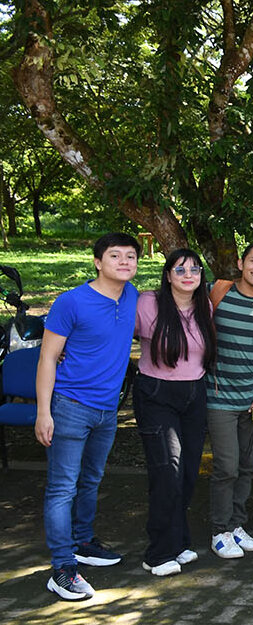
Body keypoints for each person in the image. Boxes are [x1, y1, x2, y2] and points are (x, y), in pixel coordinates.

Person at [35, 232, 141, 600]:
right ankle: (62, 568)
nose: (125, 262)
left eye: (131, 256)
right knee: (62, 488)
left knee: (92, 480)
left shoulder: (131, 296)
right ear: (98, 262)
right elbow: (48, 358)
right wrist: (43, 412)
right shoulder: (71, 302)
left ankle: (82, 542)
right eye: (115, 256)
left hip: (108, 411)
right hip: (69, 408)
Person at [133, 249, 215, 577]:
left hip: (194, 395)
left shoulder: (204, 306)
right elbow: (117, 334)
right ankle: (157, 552)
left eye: (194, 269)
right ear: (168, 275)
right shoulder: (148, 303)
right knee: (168, 470)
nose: (187, 274)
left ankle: (179, 541)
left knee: (188, 472)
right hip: (156, 395)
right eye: (179, 269)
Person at [206, 243, 253, 559]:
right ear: (240, 263)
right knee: (227, 466)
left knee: (247, 465)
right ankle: (219, 531)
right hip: (218, 397)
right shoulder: (217, 291)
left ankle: (236, 525)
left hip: (252, 398)